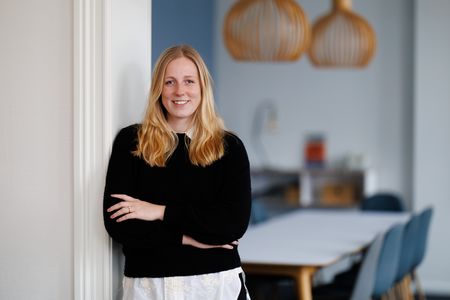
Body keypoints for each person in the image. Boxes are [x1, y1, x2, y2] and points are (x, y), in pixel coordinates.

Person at [103, 44, 252, 300]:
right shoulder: (131, 142)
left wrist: (158, 212)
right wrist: (190, 238)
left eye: (189, 81)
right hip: (148, 287)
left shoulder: (229, 148)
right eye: (169, 81)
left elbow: (231, 225)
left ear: (202, 87)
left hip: (215, 285)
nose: (179, 91)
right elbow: (119, 226)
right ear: (158, 89)